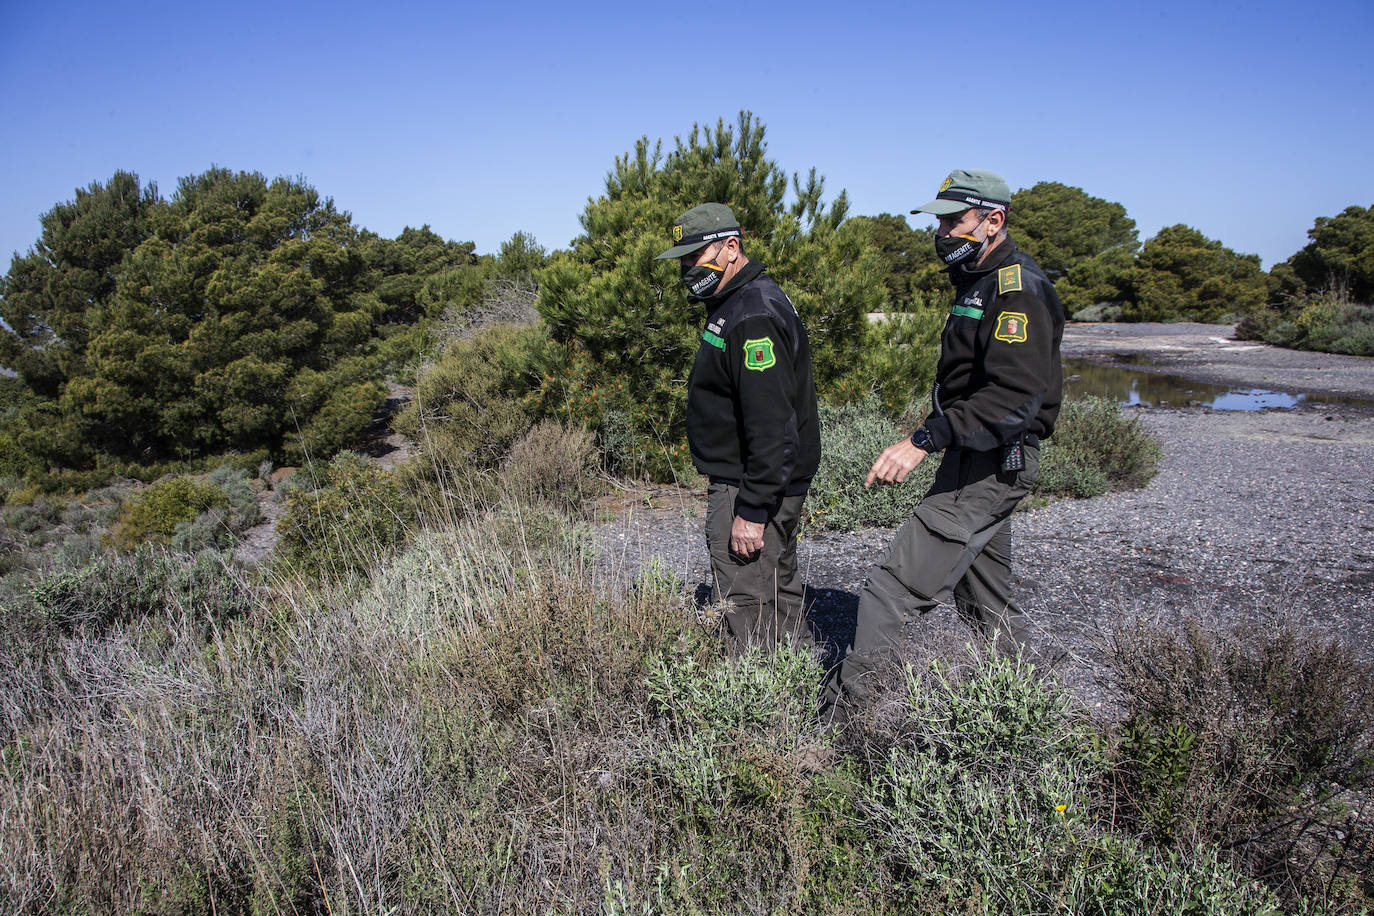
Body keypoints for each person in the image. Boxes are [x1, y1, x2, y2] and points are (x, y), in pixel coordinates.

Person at [824, 169, 1064, 717]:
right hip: (975, 456)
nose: (942, 231)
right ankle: (1032, 705)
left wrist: (923, 439)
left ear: (993, 220)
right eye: (939, 220)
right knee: (984, 598)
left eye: (954, 220)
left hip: (992, 460)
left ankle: (843, 724)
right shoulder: (979, 281)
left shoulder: (1017, 289)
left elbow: (1011, 400)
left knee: (891, 588)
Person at [654, 202, 821, 650]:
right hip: (759, 482)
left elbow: (771, 425)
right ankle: (799, 694)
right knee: (778, 590)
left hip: (750, 485)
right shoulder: (738, 300)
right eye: (684, 261)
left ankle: (758, 709)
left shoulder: (752, 315)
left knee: (747, 604)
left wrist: (750, 510)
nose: (690, 269)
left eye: (698, 257)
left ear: (731, 247)